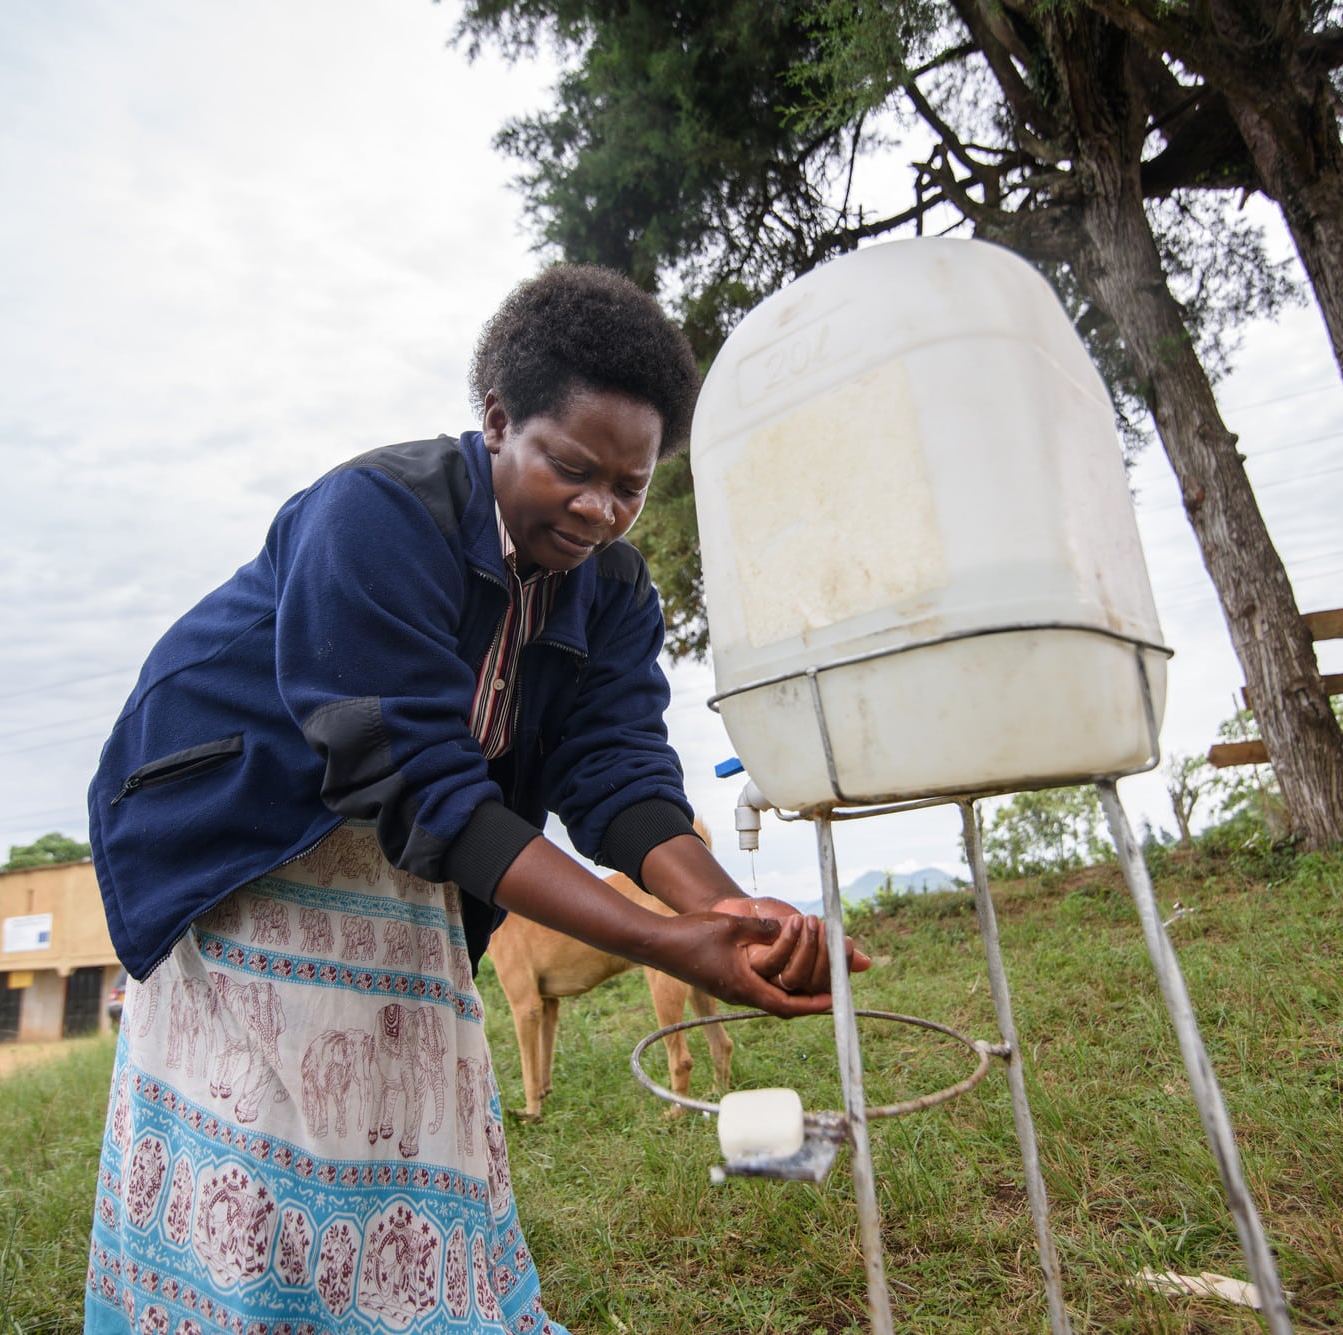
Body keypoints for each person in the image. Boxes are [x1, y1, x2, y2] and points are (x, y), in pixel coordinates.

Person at [81, 265, 866, 1335]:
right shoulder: (373, 514)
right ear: (497, 421)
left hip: (410, 876)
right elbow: (409, 773)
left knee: (405, 1132)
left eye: (629, 486)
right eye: (571, 469)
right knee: (260, 1145)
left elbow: (618, 770)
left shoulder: (612, 589)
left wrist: (722, 910)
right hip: (248, 851)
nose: (599, 510)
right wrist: (662, 945)